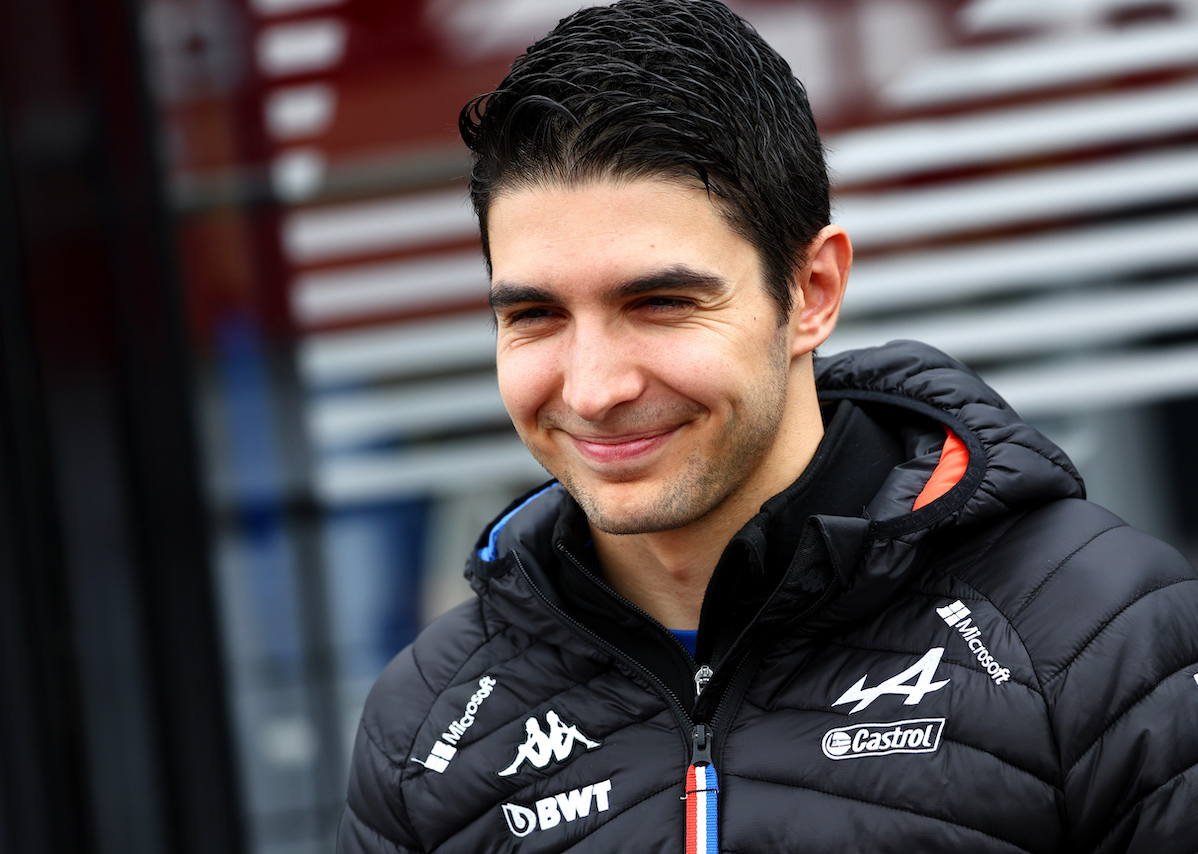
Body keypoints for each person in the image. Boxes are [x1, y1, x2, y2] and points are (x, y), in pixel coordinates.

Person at [338, 1, 1198, 851]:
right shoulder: (428, 726)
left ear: (813, 293)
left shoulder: (1097, 636)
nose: (594, 389)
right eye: (534, 315)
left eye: (662, 303)